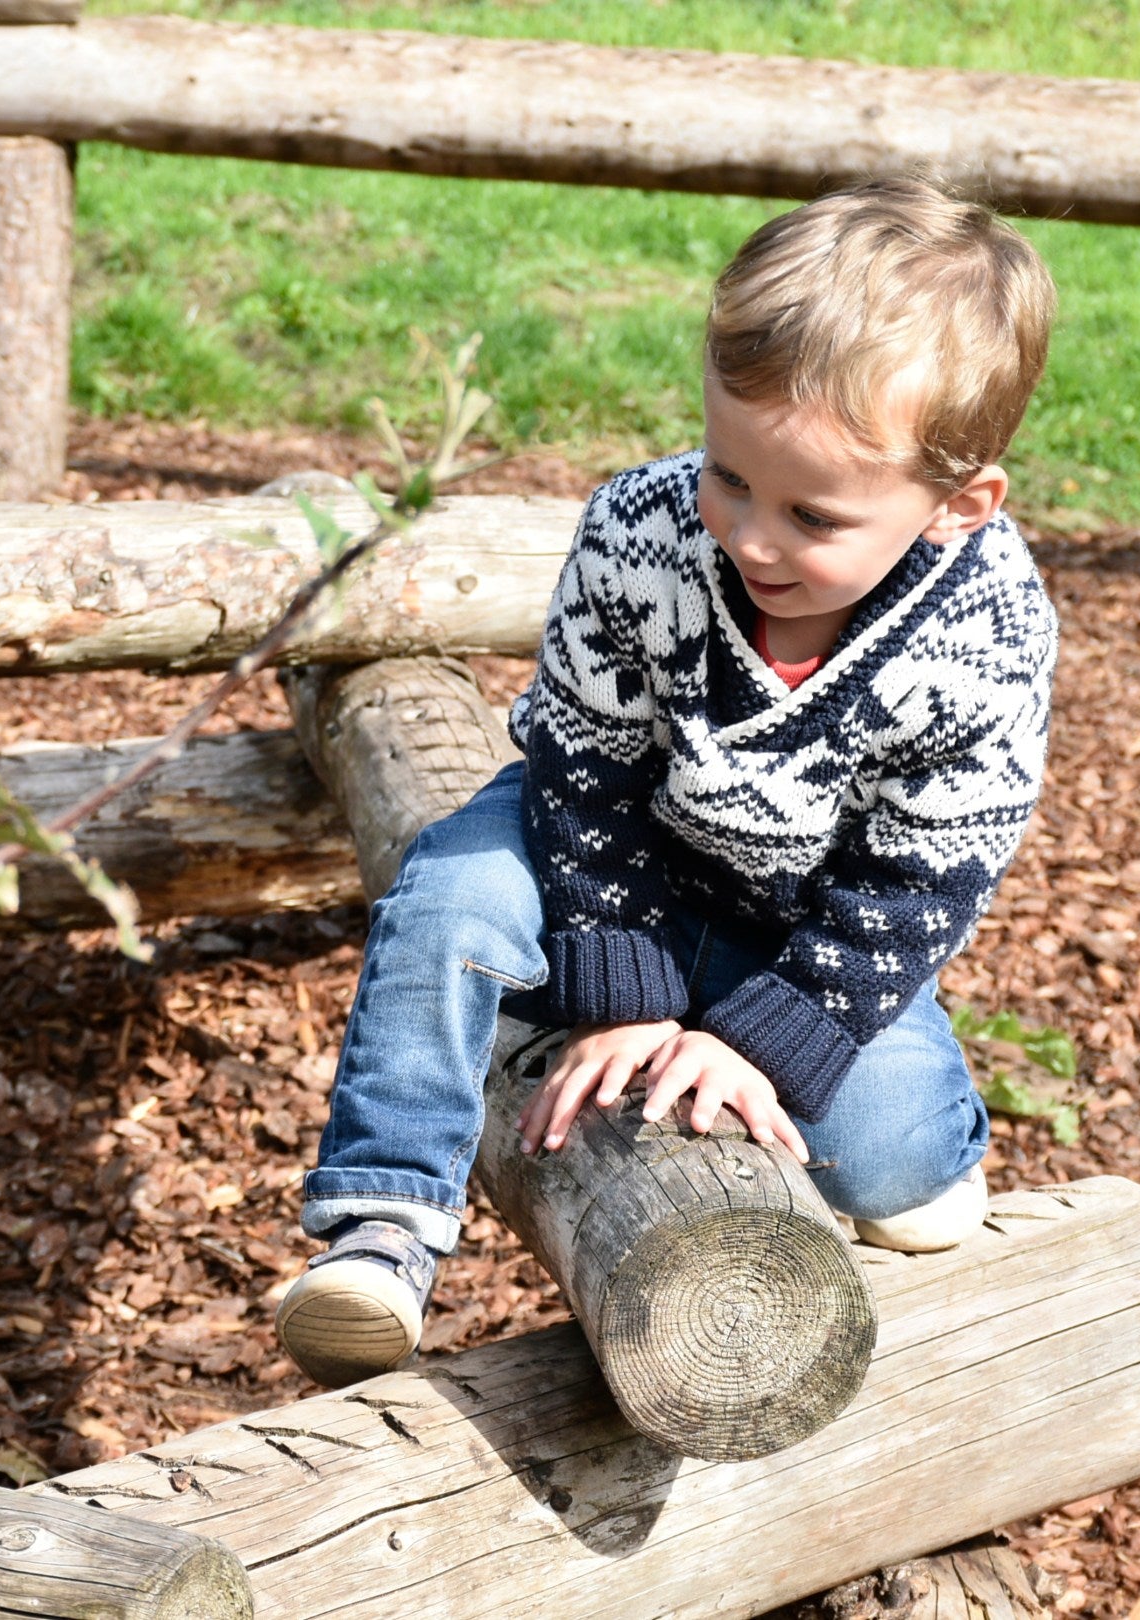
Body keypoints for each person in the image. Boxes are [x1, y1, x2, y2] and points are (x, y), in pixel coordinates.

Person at [273, 175, 1061, 1389]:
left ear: (960, 505)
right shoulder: (640, 532)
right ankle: (382, 1221)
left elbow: (915, 883)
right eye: (730, 476)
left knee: (898, 1171)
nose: (751, 537)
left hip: (802, 924)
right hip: (609, 836)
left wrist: (770, 1041)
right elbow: (585, 772)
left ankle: (903, 1120)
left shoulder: (987, 634)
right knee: (450, 896)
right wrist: (625, 988)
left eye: (811, 514)